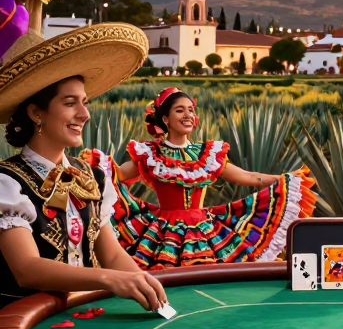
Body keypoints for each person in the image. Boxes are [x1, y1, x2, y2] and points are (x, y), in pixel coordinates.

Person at [0, 23, 167, 313]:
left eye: (85, 102)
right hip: (22, 326)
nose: (84, 113)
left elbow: (112, 255)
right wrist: (107, 279)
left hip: (80, 319)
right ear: (36, 112)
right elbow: (26, 268)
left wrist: (144, 284)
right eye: (70, 103)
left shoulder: (93, 176)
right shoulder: (7, 183)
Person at [92, 86, 316, 269]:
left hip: (205, 228)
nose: (188, 115)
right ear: (165, 119)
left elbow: (247, 176)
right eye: (180, 110)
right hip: (163, 231)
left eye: (190, 110)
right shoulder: (151, 154)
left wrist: (283, 180)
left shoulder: (207, 155)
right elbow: (117, 175)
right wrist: (91, 170)